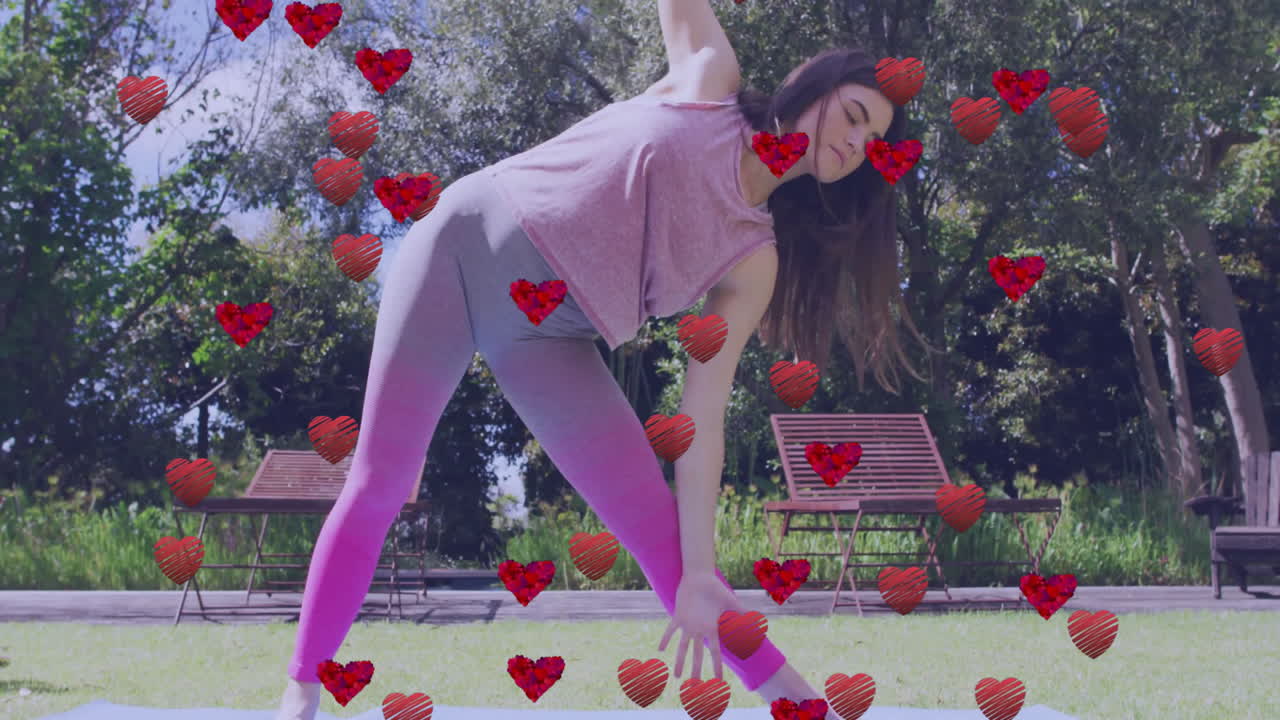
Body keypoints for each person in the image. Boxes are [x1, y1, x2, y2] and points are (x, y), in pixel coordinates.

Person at [275, 2, 932, 719]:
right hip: (461, 244)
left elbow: (700, 422)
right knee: (380, 482)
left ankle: (801, 706)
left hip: (547, 337)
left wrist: (706, 569)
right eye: (860, 115)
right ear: (817, 82)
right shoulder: (711, 79)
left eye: (876, 140)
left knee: (675, 552)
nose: (860, 142)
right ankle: (301, 692)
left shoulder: (754, 259)